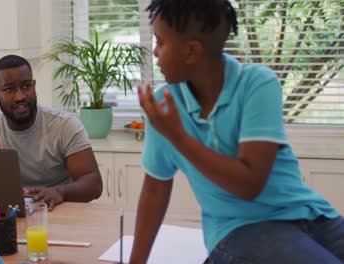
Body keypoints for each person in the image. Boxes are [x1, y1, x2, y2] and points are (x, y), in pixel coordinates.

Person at [129, 0, 344, 263]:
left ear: (191, 51)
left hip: (311, 214)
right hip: (240, 228)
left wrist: (178, 136)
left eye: (161, 42)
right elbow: (154, 191)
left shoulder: (257, 83)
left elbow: (249, 182)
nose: (155, 52)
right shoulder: (164, 107)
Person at [0, 54, 102, 210]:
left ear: (34, 85)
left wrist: (60, 192)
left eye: (26, 86)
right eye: (9, 89)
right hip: (10, 215)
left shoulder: (64, 125)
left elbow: (94, 183)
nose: (20, 96)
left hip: (60, 211)